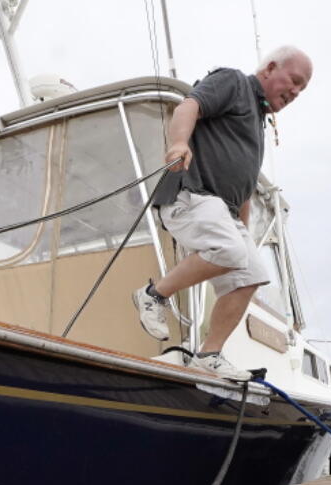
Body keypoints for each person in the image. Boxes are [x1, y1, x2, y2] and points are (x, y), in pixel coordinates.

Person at [132, 46, 313, 380]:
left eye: (302, 90)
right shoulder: (234, 82)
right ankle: (152, 295)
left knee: (252, 272)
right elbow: (190, 105)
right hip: (192, 194)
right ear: (271, 68)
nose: (296, 92)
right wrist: (178, 144)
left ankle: (210, 354)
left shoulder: (257, 124)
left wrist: (242, 233)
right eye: (295, 81)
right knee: (230, 251)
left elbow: (243, 186)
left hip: (224, 212)